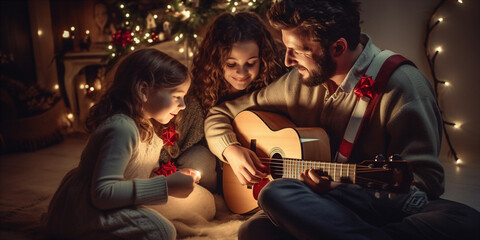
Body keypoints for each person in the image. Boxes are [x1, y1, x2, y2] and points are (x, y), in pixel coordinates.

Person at [203, 0, 480, 239]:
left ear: (337, 47)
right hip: (322, 208)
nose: (287, 61)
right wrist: (231, 149)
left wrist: (343, 188)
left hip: (375, 203)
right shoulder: (296, 84)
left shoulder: (404, 86)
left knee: (462, 220)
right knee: (262, 215)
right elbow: (221, 114)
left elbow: (425, 183)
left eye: (297, 50)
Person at [44, 48, 201, 240]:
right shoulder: (122, 128)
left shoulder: (148, 127)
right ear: (144, 90)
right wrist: (166, 186)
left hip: (116, 202)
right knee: (161, 231)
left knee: (195, 209)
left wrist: (174, 180)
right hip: (87, 210)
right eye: (177, 96)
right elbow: (102, 194)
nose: (183, 105)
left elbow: (133, 174)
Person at [157, 11, 286, 193]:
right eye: (231, 64)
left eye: (251, 63)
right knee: (199, 160)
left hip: (260, 169)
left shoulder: (274, 81)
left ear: (262, 59)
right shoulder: (196, 95)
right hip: (216, 169)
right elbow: (172, 145)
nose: (242, 73)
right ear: (217, 61)